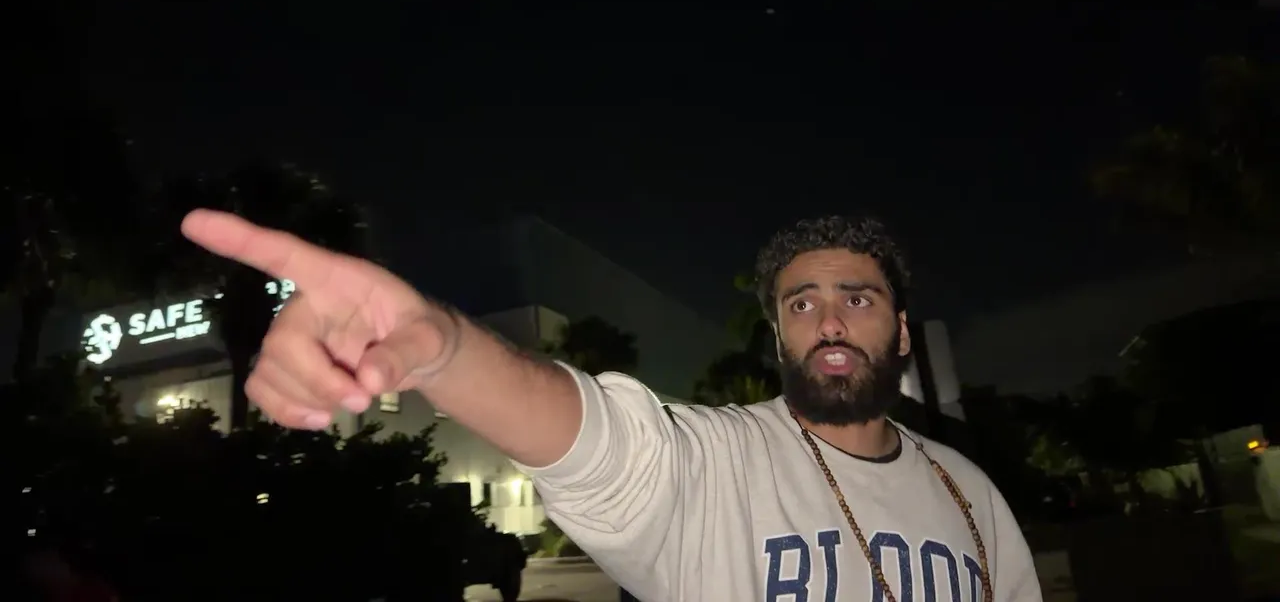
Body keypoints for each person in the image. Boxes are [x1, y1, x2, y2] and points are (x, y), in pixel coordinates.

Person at [182, 210, 1041, 602]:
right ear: (779, 333)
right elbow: (596, 440)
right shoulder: (716, 462)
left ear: (901, 331)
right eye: (801, 303)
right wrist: (445, 348)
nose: (829, 322)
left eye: (857, 298)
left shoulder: (970, 494)